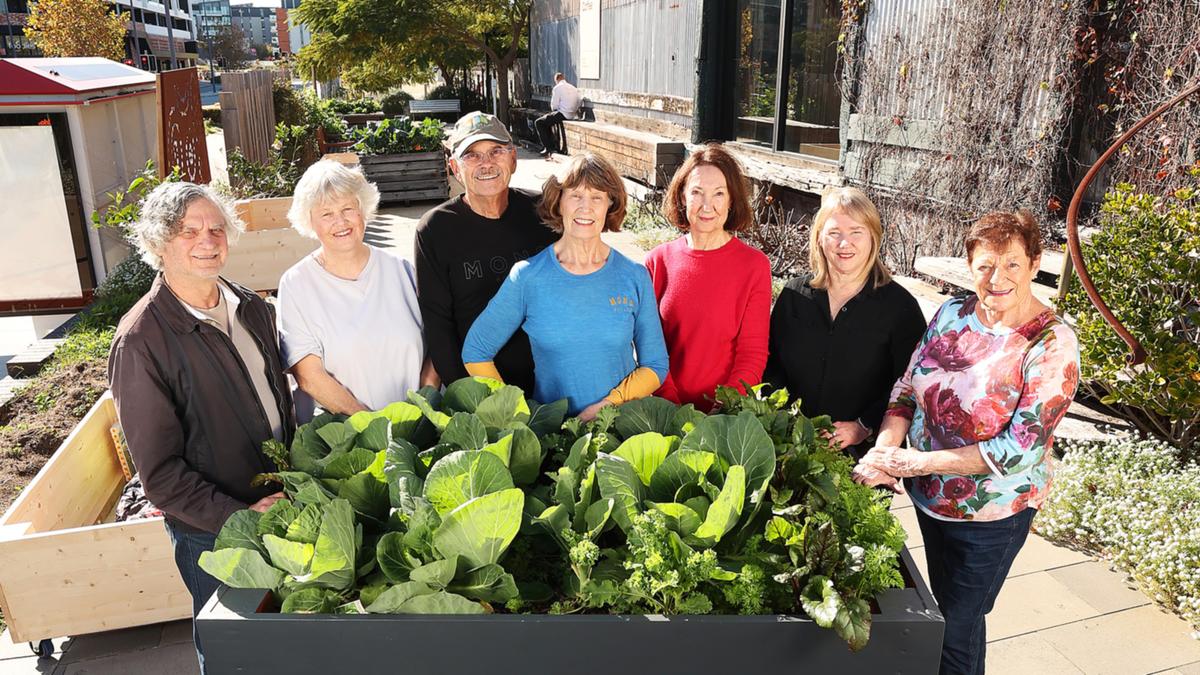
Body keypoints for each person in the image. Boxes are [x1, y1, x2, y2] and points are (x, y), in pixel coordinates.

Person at [852, 211, 1080, 675]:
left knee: (956, 628)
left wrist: (911, 463)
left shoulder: (1052, 343)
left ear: (1035, 263)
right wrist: (886, 451)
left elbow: (1016, 451)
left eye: (1012, 264)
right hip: (932, 501)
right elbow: (906, 386)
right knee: (949, 615)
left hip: (991, 515)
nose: (997, 279)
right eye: (984, 266)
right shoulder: (953, 312)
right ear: (970, 266)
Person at [108, 182, 295, 673]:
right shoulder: (142, 340)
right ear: (157, 243)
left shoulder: (250, 306)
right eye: (188, 231)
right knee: (232, 651)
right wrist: (240, 517)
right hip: (213, 530)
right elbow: (161, 475)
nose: (207, 240)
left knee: (284, 640)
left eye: (216, 228)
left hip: (280, 507)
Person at [461, 153, 669, 420]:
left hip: (621, 430)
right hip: (554, 439)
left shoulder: (634, 276)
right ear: (558, 203)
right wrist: (516, 414)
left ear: (610, 205)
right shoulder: (527, 277)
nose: (586, 207)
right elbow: (476, 351)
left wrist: (609, 404)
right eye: (576, 196)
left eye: (597, 197)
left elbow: (656, 364)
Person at [763, 187, 926, 455]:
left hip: (863, 453)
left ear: (873, 238)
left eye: (856, 232)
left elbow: (910, 385)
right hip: (789, 446)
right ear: (819, 239)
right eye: (834, 233)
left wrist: (864, 425)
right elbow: (771, 363)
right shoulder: (794, 296)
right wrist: (787, 419)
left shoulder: (901, 308)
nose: (844, 243)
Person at [277, 160, 432, 421]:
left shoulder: (402, 270)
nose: (340, 221)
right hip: (342, 438)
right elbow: (308, 376)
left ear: (363, 210)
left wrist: (421, 414)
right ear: (310, 221)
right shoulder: (296, 284)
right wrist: (373, 427)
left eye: (348, 208)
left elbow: (436, 345)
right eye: (326, 214)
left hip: (417, 427)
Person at [415, 112, 558, 393]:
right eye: (472, 156)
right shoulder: (435, 229)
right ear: (455, 167)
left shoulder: (545, 212)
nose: (487, 163)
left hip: (554, 384)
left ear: (514, 158)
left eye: (496, 151)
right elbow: (439, 327)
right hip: (482, 389)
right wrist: (473, 399)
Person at [644, 143, 772, 411]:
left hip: (724, 416)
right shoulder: (657, 262)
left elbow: (752, 354)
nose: (707, 205)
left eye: (718, 194)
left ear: (731, 200)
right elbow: (649, 349)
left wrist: (724, 406)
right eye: (697, 192)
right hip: (663, 409)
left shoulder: (754, 266)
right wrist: (672, 408)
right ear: (682, 197)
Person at [535, 72, 583, 158]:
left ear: (556, 80)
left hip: (563, 113)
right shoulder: (573, 88)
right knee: (548, 120)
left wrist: (555, 110)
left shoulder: (557, 88)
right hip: (572, 114)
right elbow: (579, 101)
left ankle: (548, 147)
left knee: (539, 122)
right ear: (563, 78)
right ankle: (551, 146)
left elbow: (554, 106)